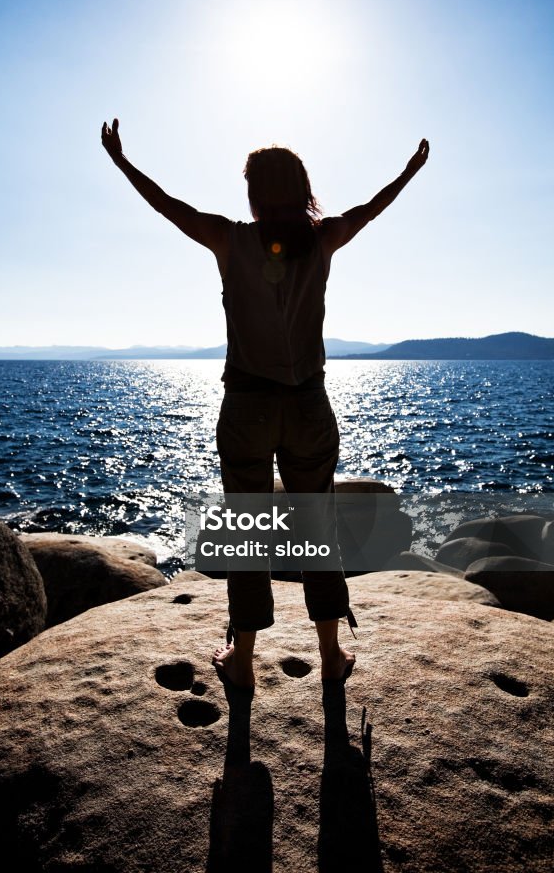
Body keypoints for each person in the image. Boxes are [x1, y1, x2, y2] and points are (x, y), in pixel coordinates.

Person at [101, 118, 429, 688]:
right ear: (304, 193)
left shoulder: (231, 239)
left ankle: (244, 660)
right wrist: (409, 171)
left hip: (247, 407)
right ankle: (330, 655)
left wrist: (122, 162)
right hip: (308, 405)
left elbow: (166, 205)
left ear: (252, 196)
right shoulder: (323, 238)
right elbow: (373, 208)